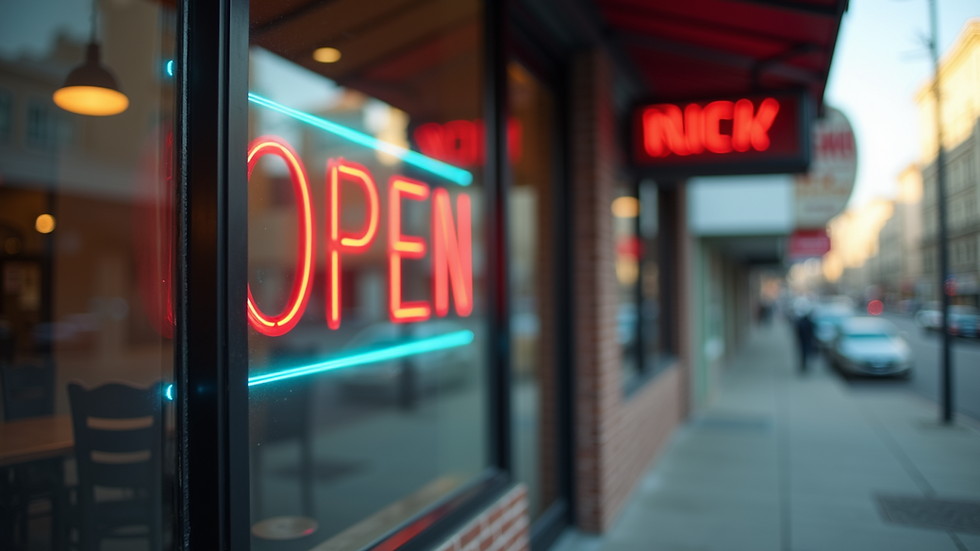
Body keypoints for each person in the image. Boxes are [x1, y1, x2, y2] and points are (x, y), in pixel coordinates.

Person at [795, 309, 815, 373]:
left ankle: (803, 365)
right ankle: (805, 365)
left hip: (803, 340)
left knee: (803, 353)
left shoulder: (802, 322)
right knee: (806, 353)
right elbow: (811, 332)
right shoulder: (809, 322)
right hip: (807, 340)